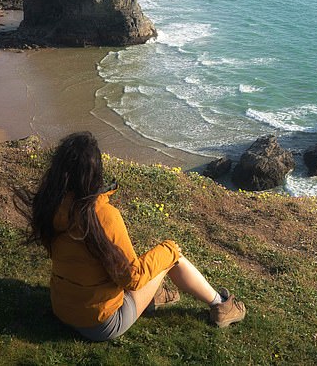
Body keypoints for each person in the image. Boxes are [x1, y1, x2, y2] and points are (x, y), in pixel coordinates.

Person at [15, 131, 246, 342]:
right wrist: (168, 249)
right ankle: (221, 306)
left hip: (63, 307)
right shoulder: (102, 215)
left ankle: (157, 295)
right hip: (100, 322)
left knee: (127, 261)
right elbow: (132, 278)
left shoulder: (49, 204)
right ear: (95, 172)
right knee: (172, 258)